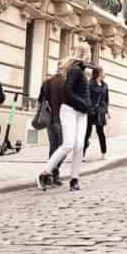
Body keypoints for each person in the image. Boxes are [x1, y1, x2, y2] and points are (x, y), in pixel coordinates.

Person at [37, 42, 91, 192]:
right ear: (85, 53)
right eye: (89, 52)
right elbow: (67, 91)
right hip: (69, 111)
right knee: (67, 144)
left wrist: (86, 105)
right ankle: (45, 172)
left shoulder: (81, 70)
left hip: (81, 112)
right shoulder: (75, 70)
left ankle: (74, 178)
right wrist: (83, 103)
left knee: (79, 145)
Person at [39, 69, 65, 187]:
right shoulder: (66, 83)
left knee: (54, 148)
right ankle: (52, 173)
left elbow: (40, 100)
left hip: (50, 119)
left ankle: (52, 174)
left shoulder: (47, 82)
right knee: (63, 149)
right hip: (61, 120)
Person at [84, 66, 109, 159]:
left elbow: (106, 99)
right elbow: (88, 97)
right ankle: (82, 154)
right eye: (103, 72)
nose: (104, 73)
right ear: (98, 73)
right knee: (87, 133)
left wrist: (105, 110)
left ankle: (104, 152)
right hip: (91, 111)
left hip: (100, 112)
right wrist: (90, 107)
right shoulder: (90, 84)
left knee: (101, 132)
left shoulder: (105, 85)